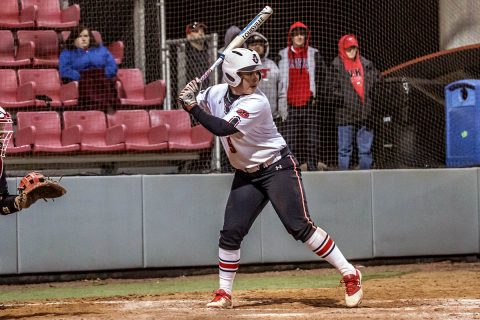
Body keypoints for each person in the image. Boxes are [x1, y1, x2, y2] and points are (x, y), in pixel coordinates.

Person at [177, 48, 363, 309]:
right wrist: (189, 97)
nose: (256, 78)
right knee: (231, 232)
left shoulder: (257, 102)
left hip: (277, 169)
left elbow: (221, 127)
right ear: (231, 77)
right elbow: (197, 107)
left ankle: (350, 273)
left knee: (300, 227)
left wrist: (192, 105)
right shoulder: (217, 93)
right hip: (246, 174)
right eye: (249, 74)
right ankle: (223, 293)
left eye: (256, 73)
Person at [278, 21, 326, 171]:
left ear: (306, 36)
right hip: (290, 105)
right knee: (290, 140)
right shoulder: (282, 55)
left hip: (309, 104)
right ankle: (290, 168)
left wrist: (317, 96)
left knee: (312, 140)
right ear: (291, 37)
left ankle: (312, 166)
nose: (299, 36)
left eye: (302, 34)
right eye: (296, 34)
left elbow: (323, 77)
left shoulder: (314, 53)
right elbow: (279, 81)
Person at [330, 34, 379, 170]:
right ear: (342, 49)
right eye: (348, 49)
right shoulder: (337, 65)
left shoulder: (366, 65)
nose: (351, 51)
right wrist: (346, 100)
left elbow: (375, 84)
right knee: (344, 151)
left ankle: (365, 181)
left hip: (365, 114)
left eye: (354, 48)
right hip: (345, 114)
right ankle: (344, 182)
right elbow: (332, 89)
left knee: (365, 151)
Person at [59, 25, 118, 112]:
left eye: (86, 36)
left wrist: (102, 74)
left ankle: (107, 109)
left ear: (90, 37)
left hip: (102, 78)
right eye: (80, 36)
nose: (83, 39)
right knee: (88, 82)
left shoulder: (101, 50)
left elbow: (112, 66)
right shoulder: (67, 53)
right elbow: (64, 70)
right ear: (74, 39)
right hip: (83, 81)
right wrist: (81, 76)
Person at [245, 32, 287, 129]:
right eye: (254, 44)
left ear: (265, 47)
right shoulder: (242, 66)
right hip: (248, 119)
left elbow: (281, 91)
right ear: (247, 47)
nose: (257, 47)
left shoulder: (272, 66)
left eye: (260, 44)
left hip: (271, 119)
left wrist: (282, 110)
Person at [178, 22, 212, 91]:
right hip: (191, 93)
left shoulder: (209, 50)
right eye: (196, 31)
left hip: (207, 91)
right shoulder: (185, 52)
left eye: (202, 31)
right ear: (189, 36)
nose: (200, 33)